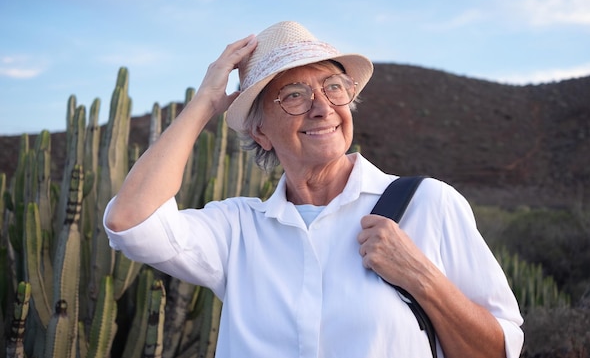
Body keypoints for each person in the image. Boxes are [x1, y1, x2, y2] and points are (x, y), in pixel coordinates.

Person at [104, 21, 524, 358]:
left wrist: (423, 278)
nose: (322, 107)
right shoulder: (238, 229)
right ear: (261, 132)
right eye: (294, 95)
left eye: (333, 87)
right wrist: (204, 104)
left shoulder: (428, 204)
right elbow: (130, 222)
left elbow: (498, 351)